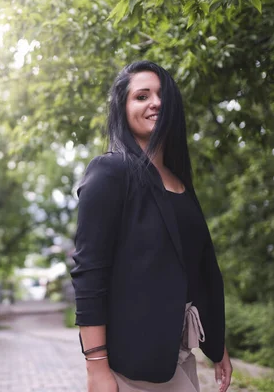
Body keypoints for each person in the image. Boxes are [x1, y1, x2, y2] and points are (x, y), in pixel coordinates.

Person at [70, 60, 233, 392]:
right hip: (129, 367)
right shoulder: (110, 172)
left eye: (161, 95)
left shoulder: (179, 182)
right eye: (141, 96)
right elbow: (89, 274)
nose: (155, 103)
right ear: (124, 108)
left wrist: (218, 346)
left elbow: (199, 272)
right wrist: (97, 368)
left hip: (178, 358)